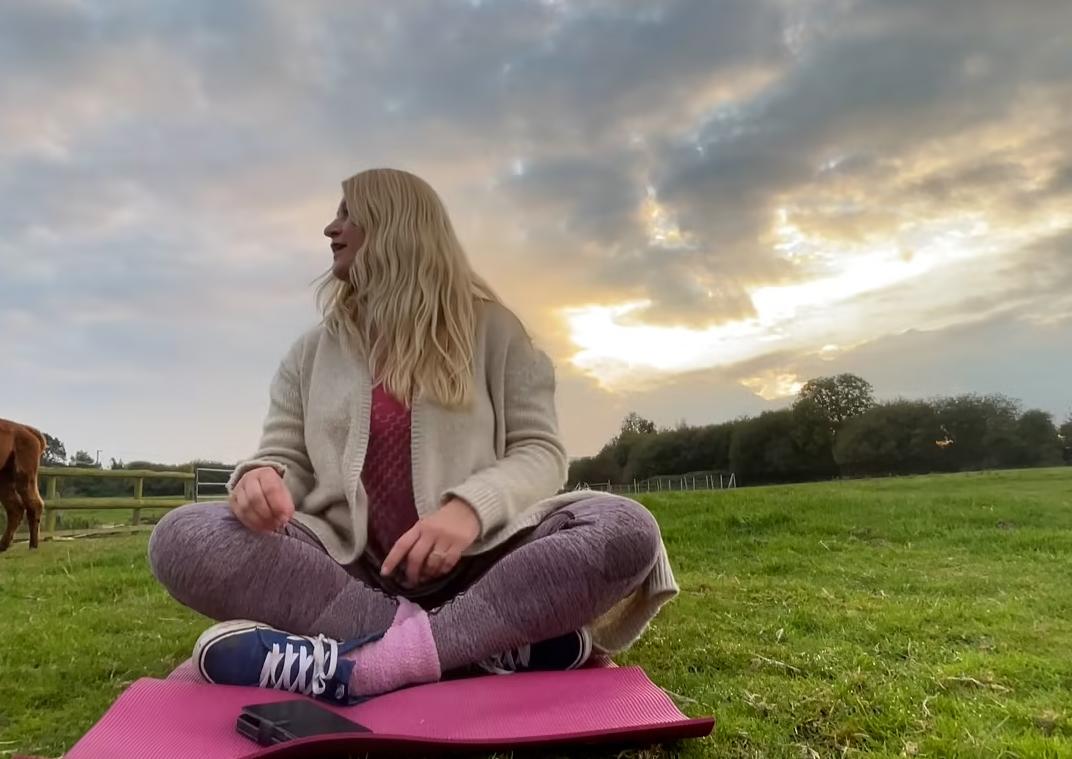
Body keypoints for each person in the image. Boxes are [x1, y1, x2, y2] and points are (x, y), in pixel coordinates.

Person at [147, 167, 678, 705]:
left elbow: (540, 453)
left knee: (625, 525)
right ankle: (476, 649)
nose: (331, 229)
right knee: (184, 535)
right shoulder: (308, 355)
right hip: (343, 577)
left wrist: (467, 512)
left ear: (395, 222)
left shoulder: (497, 332)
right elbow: (285, 456)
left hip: (483, 567)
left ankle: (365, 664)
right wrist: (263, 478)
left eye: (348, 213)